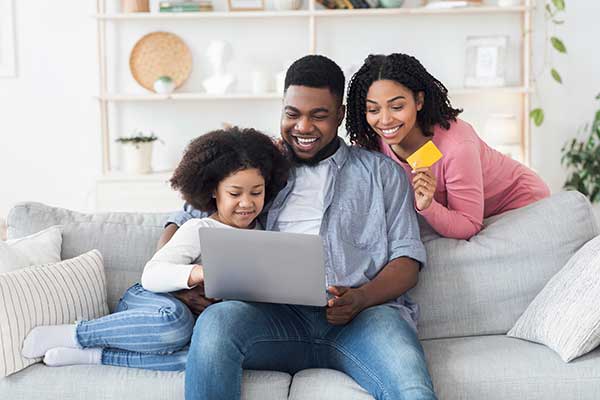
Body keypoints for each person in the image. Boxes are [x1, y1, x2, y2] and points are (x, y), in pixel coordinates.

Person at [167, 55, 437, 400]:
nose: (303, 127)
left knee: (412, 387)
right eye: (292, 114)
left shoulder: (381, 173)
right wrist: (179, 283)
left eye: (319, 116)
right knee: (217, 323)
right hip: (272, 320)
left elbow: (407, 260)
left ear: (339, 114)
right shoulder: (258, 164)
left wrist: (361, 298)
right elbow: (182, 221)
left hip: (364, 319)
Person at [21, 127, 289, 371]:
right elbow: (151, 275)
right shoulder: (199, 228)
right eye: (234, 193)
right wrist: (197, 273)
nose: (246, 203)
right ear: (213, 192)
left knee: (201, 356)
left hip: (195, 323)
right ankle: (76, 334)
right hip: (152, 302)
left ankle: (95, 356)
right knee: (175, 323)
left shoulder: (263, 237)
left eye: (256, 192)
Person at [346, 53, 551, 240]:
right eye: (373, 109)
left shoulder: (456, 145)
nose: (385, 120)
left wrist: (427, 206)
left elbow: (468, 224)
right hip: (464, 216)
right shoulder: (372, 144)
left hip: (519, 204)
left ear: (419, 100)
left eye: (397, 107)